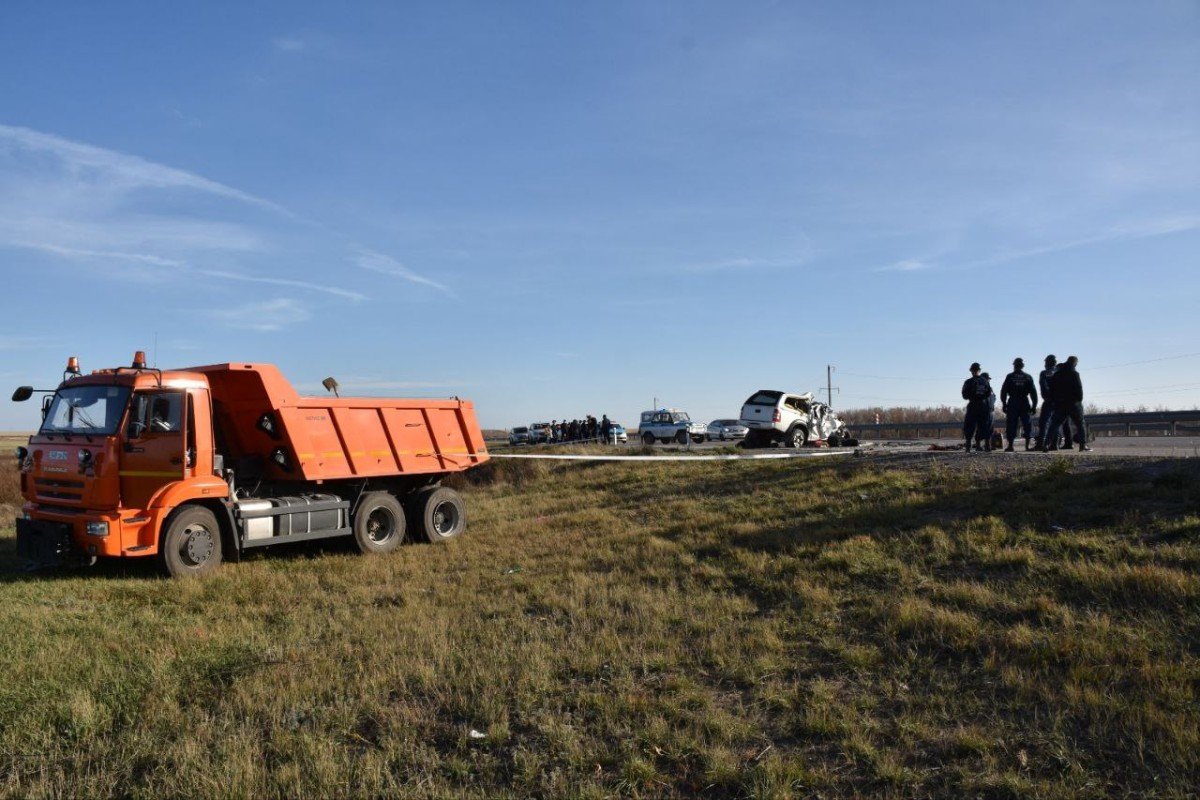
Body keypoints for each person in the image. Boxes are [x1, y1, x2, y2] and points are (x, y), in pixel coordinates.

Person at [1044, 355, 1091, 451]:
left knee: (1054, 425)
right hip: (1074, 404)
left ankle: (1046, 444)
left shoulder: (1057, 374)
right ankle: (1082, 445)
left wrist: (1055, 401)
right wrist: (1079, 401)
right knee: (1080, 424)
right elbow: (1079, 389)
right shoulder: (1074, 373)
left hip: (1060, 404)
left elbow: (1052, 390)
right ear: (1074, 363)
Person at [1001, 358, 1038, 451]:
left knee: (1011, 424)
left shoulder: (1010, 376)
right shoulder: (1028, 377)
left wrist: (1004, 404)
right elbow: (1033, 393)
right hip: (1024, 402)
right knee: (1027, 423)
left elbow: (1004, 391)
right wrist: (1034, 405)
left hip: (1013, 401)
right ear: (1022, 366)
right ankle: (1027, 446)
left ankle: (1010, 446)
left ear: (1014, 366)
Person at [1036, 356, 1072, 450]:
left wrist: (1047, 397)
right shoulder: (1061, 372)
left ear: (1047, 363)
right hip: (1061, 401)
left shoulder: (1044, 373)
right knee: (1056, 422)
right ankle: (1055, 444)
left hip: (1049, 401)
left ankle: (1041, 444)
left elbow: (1043, 387)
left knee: (1044, 422)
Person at [961, 363, 992, 452]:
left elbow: (964, 395)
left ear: (971, 371)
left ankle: (968, 446)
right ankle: (986, 446)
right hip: (983, 406)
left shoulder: (968, 382)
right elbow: (988, 393)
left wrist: (973, 396)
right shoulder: (985, 381)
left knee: (970, 425)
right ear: (979, 370)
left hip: (973, 405)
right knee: (984, 426)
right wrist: (981, 397)